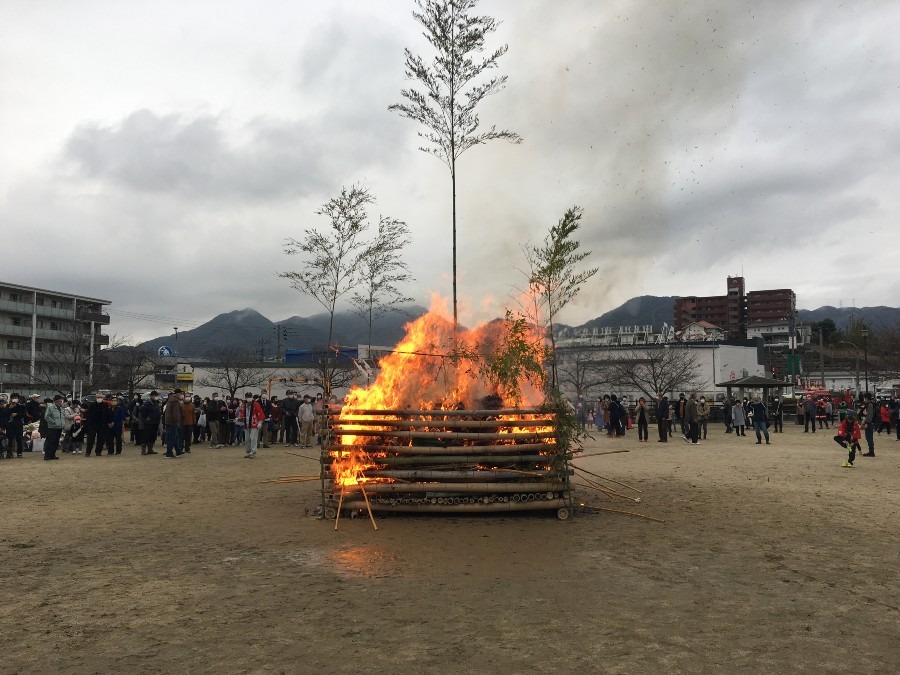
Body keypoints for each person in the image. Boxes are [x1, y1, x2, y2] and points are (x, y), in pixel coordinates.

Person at [239, 392, 266, 458]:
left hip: (254, 424)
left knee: (253, 438)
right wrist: (239, 419)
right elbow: (242, 415)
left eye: (250, 396)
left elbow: (260, 414)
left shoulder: (256, 404)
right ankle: (248, 451)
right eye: (248, 397)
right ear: (245, 397)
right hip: (246, 424)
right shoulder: (244, 405)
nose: (249, 398)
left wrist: (260, 422)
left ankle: (253, 452)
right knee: (247, 439)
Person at [42, 394, 66, 460]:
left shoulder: (61, 408)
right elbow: (46, 416)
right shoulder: (50, 407)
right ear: (55, 401)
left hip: (59, 427)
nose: (60, 402)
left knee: (56, 442)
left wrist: (63, 424)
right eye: (59, 401)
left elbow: (63, 417)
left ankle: (52, 454)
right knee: (50, 441)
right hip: (52, 427)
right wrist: (53, 422)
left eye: (61, 401)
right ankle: (47, 455)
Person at [163, 391, 185, 458]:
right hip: (172, 421)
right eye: (181, 394)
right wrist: (177, 421)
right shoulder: (175, 402)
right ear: (177, 394)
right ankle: (169, 453)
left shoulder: (170, 400)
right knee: (172, 438)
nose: (181, 395)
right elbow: (176, 413)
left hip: (168, 420)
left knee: (174, 437)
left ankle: (178, 451)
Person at [861, 392, 876, 457]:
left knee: (869, 437)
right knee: (868, 437)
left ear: (866, 398)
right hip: (870, 422)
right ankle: (871, 451)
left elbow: (870, 415)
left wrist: (867, 423)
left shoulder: (870, 405)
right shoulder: (871, 404)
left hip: (870, 423)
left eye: (865, 398)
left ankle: (871, 451)